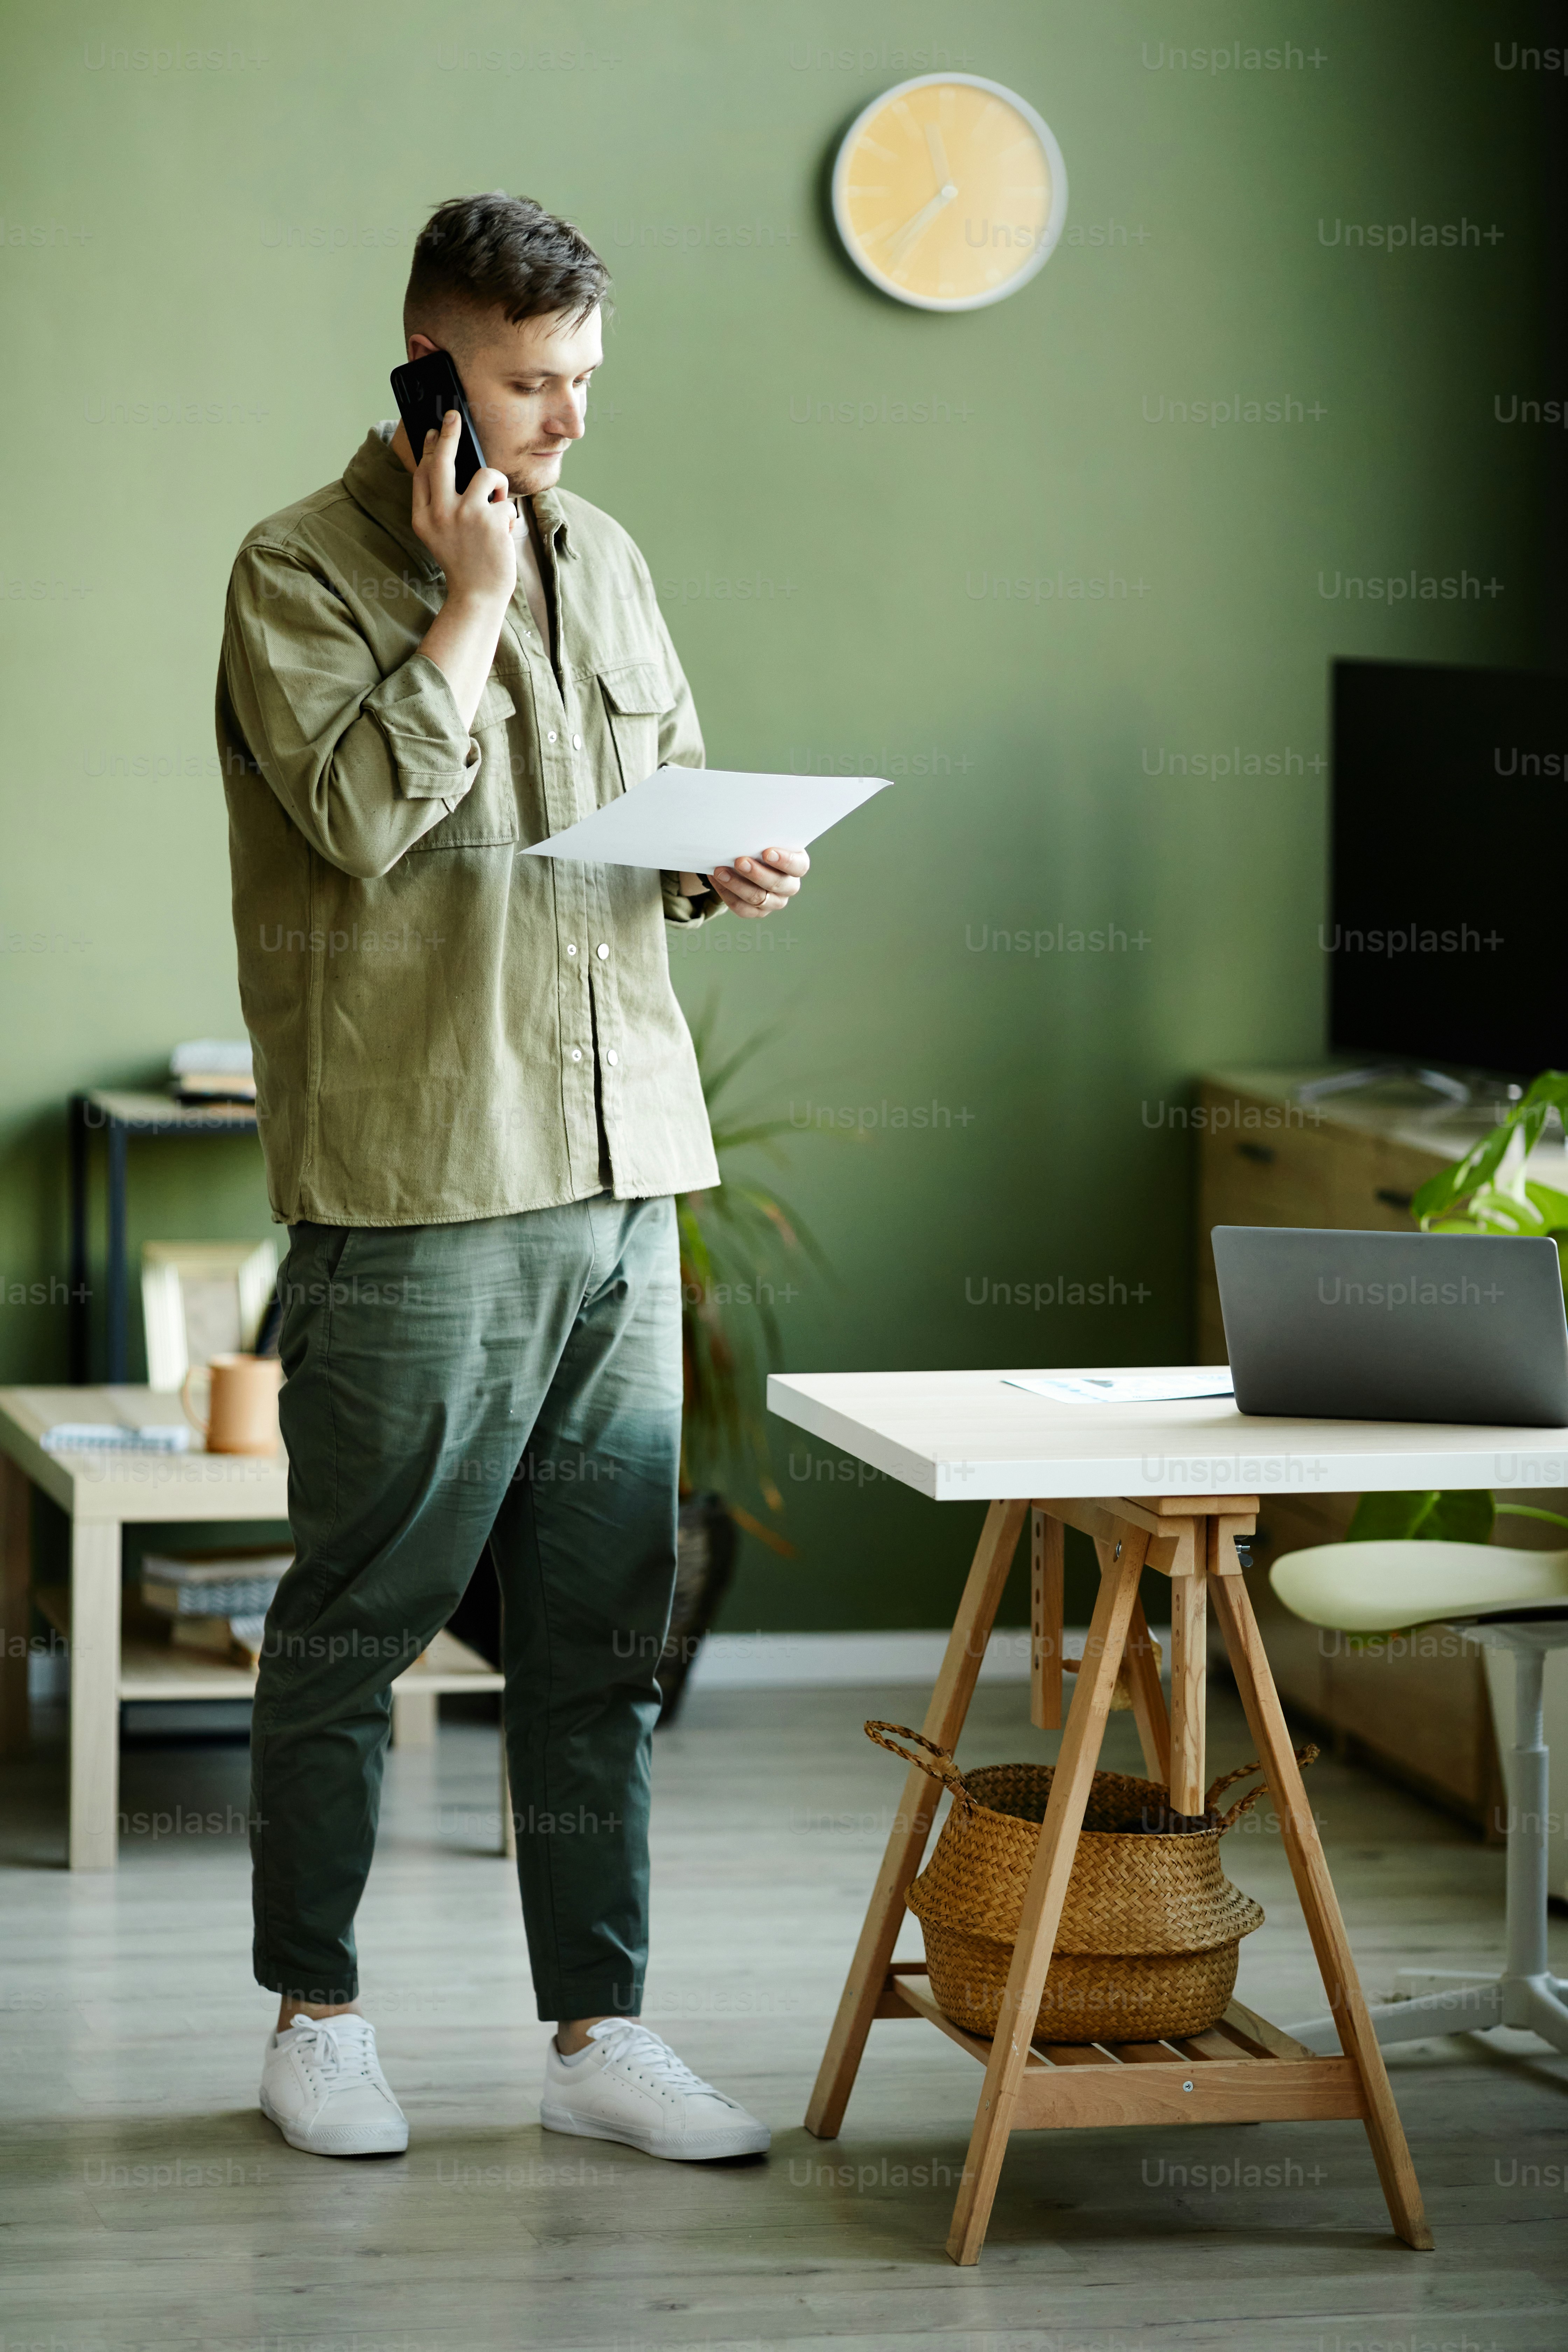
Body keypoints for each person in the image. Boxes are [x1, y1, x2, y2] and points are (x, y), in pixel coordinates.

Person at [216, 190, 806, 2161]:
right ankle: (316, 2012)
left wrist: (721, 868)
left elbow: (642, 820)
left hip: (628, 1171)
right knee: (357, 1620)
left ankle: (597, 2039)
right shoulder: (295, 575)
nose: (565, 424)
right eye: (529, 384)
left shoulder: (611, 556)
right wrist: (463, 604)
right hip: (421, 1180)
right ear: (424, 372)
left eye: (583, 383)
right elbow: (370, 819)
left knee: (598, 1635)